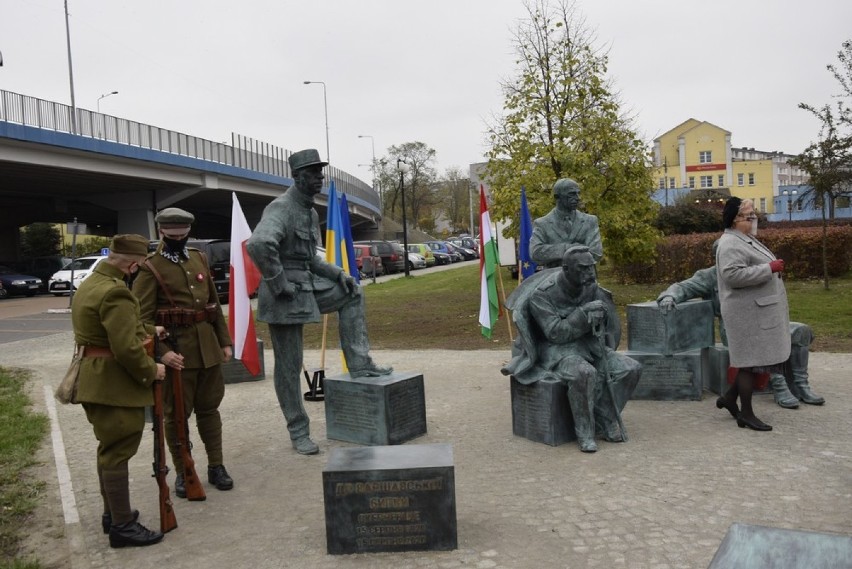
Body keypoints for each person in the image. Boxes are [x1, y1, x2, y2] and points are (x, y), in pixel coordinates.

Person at [246, 148, 392, 456]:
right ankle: (299, 430)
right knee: (288, 366)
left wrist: (339, 274)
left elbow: (310, 258)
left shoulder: (310, 212)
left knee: (353, 293)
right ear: (297, 177)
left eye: (320, 174)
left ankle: (360, 364)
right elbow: (259, 244)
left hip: (309, 286)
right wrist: (278, 282)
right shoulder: (281, 208)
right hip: (285, 294)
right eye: (313, 175)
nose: (319, 179)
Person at [72, 234, 166, 548]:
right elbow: (125, 348)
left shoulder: (91, 282)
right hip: (113, 384)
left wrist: (150, 329)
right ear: (134, 263)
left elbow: (105, 328)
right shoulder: (116, 294)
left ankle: (113, 514)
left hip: (93, 379)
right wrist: (152, 370)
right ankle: (123, 526)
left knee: (108, 447)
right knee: (119, 450)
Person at [133, 208, 235, 498]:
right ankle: (183, 471)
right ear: (161, 232)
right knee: (176, 416)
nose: (178, 239)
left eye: (183, 234)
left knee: (210, 409)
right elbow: (141, 319)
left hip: (208, 350)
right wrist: (161, 353)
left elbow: (214, 305)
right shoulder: (150, 268)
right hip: (177, 353)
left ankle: (216, 465)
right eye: (172, 235)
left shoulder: (198, 258)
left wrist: (224, 341)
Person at [501, 245, 641, 453]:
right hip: (556, 350)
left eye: (591, 268)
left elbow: (608, 327)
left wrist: (601, 318)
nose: (590, 273)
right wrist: (584, 314)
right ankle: (584, 432)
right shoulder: (543, 295)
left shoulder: (591, 287)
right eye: (583, 269)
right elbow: (555, 333)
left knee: (631, 368)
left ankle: (605, 417)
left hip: (589, 346)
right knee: (584, 373)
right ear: (566, 269)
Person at [656, 249, 824, 409]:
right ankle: (780, 386)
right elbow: (683, 287)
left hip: (764, 319)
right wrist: (669, 296)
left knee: (801, 331)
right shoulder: (710, 275)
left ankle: (801, 385)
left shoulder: (753, 270)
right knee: (763, 335)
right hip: (732, 326)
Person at [715, 197, 791, 431]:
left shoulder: (744, 239)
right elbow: (733, 276)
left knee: (752, 361)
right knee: (748, 364)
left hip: (755, 311)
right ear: (736, 219)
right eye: (749, 215)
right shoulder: (729, 243)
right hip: (746, 314)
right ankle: (746, 414)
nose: (753, 218)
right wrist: (769, 268)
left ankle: (729, 399)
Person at [529, 178, 603, 268]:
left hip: (584, 278)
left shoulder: (590, 221)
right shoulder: (542, 223)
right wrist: (568, 248)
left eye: (578, 193)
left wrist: (555, 253)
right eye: (572, 194)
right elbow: (536, 253)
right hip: (554, 278)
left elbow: (596, 253)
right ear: (557, 197)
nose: (578, 198)